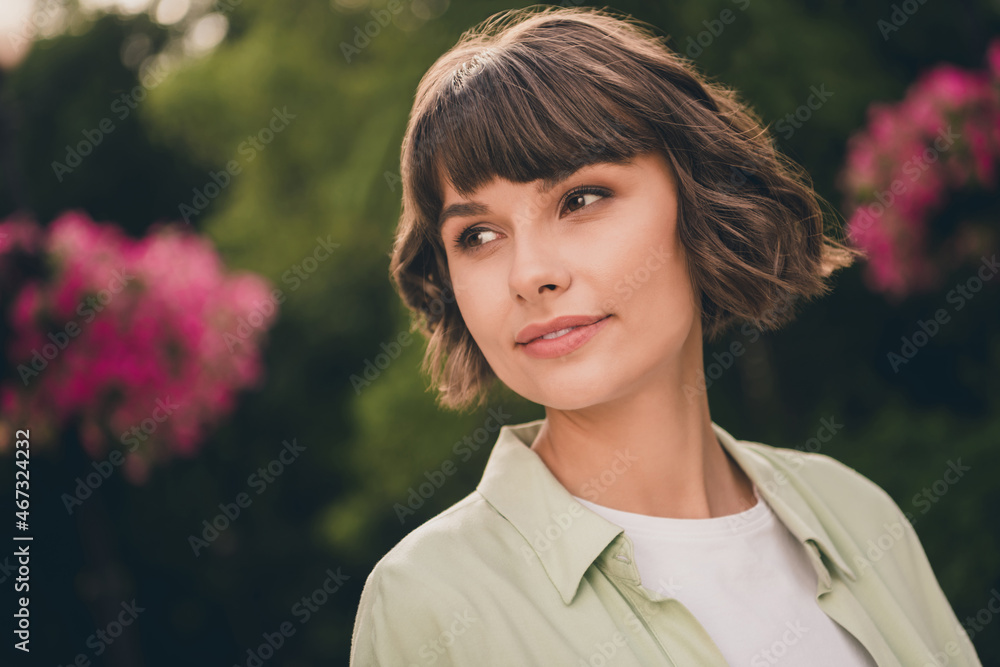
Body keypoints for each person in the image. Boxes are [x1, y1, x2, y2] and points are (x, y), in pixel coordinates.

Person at [350, 6, 983, 666]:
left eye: (580, 199)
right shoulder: (429, 604)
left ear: (695, 198)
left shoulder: (857, 513)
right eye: (477, 236)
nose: (531, 274)